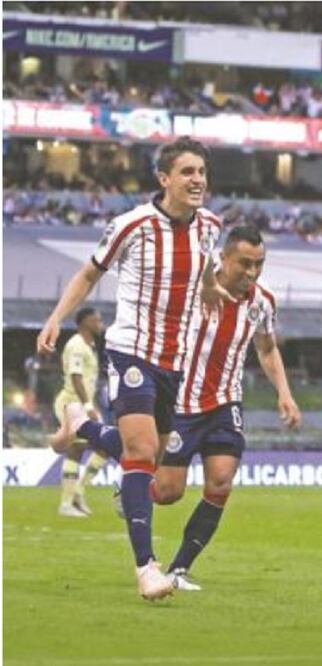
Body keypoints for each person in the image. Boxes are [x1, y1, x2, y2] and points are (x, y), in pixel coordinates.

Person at [56, 225, 302, 590]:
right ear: (223, 258)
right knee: (168, 492)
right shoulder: (192, 293)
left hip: (224, 403)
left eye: (259, 264)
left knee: (221, 481)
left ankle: (179, 569)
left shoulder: (262, 302)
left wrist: (284, 391)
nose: (251, 273)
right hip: (181, 403)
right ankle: (87, 430)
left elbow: (266, 348)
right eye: (244, 264)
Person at [38, 136, 228, 601]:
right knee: (140, 450)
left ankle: (81, 424)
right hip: (132, 351)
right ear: (164, 179)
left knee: (153, 464)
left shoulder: (210, 226)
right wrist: (56, 318)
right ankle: (147, 568)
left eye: (201, 172)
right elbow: (89, 274)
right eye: (187, 172)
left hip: (175, 360)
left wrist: (209, 291)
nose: (197, 180)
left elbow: (203, 270)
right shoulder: (132, 224)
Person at [49, 307, 108, 517]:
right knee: (76, 449)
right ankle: (66, 503)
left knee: (105, 446)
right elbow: (76, 377)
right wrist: (88, 407)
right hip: (71, 404)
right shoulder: (76, 345)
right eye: (96, 320)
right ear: (85, 323)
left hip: (83, 404)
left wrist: (91, 405)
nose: (100, 324)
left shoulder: (89, 345)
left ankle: (78, 491)